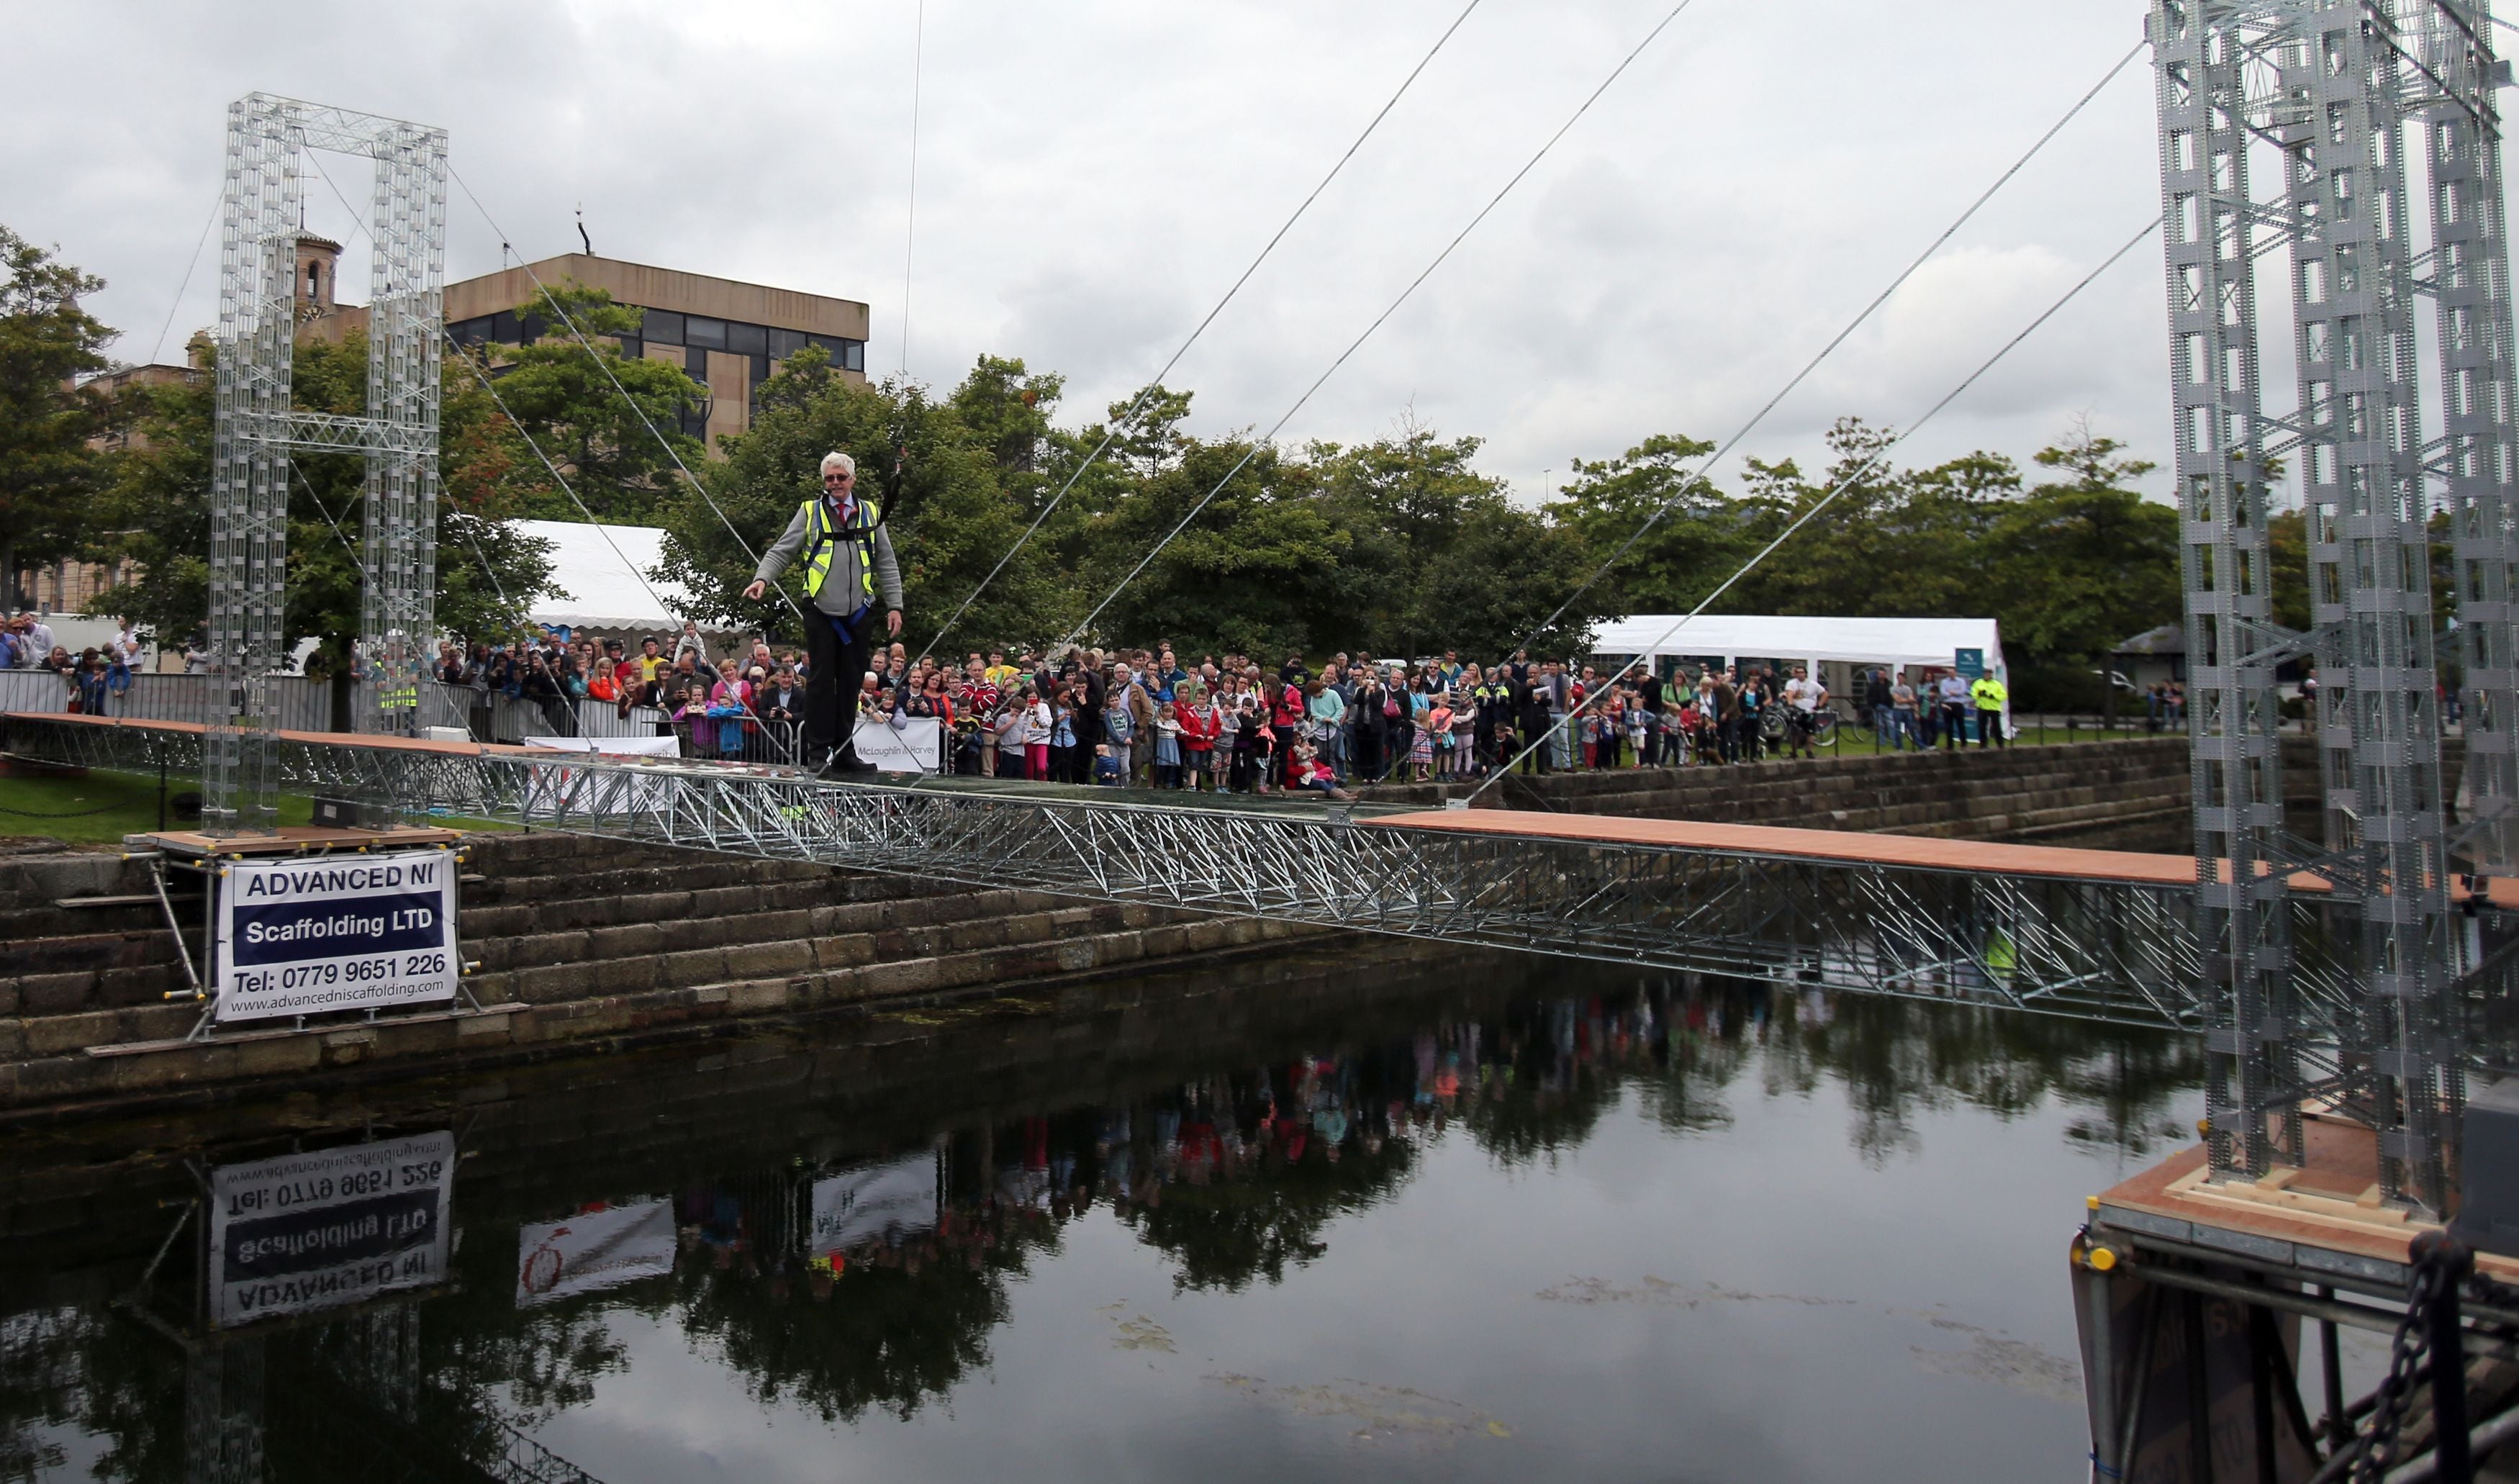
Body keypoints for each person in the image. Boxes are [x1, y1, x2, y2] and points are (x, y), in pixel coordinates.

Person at [743, 451, 903, 775]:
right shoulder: (811, 512)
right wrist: (762, 579)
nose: (835, 484)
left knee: (850, 683)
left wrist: (895, 604)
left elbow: (886, 559)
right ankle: (817, 751)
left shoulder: (870, 512)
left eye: (841, 478)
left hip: (859, 610)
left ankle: (845, 752)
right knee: (820, 681)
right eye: (829, 478)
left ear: (852, 480)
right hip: (820, 608)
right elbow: (783, 549)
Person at [1970, 669, 2009, 748]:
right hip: (1982, 707)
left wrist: (1994, 696)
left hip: (1994, 708)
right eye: (1985, 673)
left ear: (1991, 675)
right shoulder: (1978, 683)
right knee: (1982, 727)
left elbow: (2004, 695)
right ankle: (1983, 744)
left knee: (1996, 727)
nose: (1987, 675)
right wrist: (1979, 694)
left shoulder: (1997, 684)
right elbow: (1973, 693)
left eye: (1988, 674)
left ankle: (2000, 744)